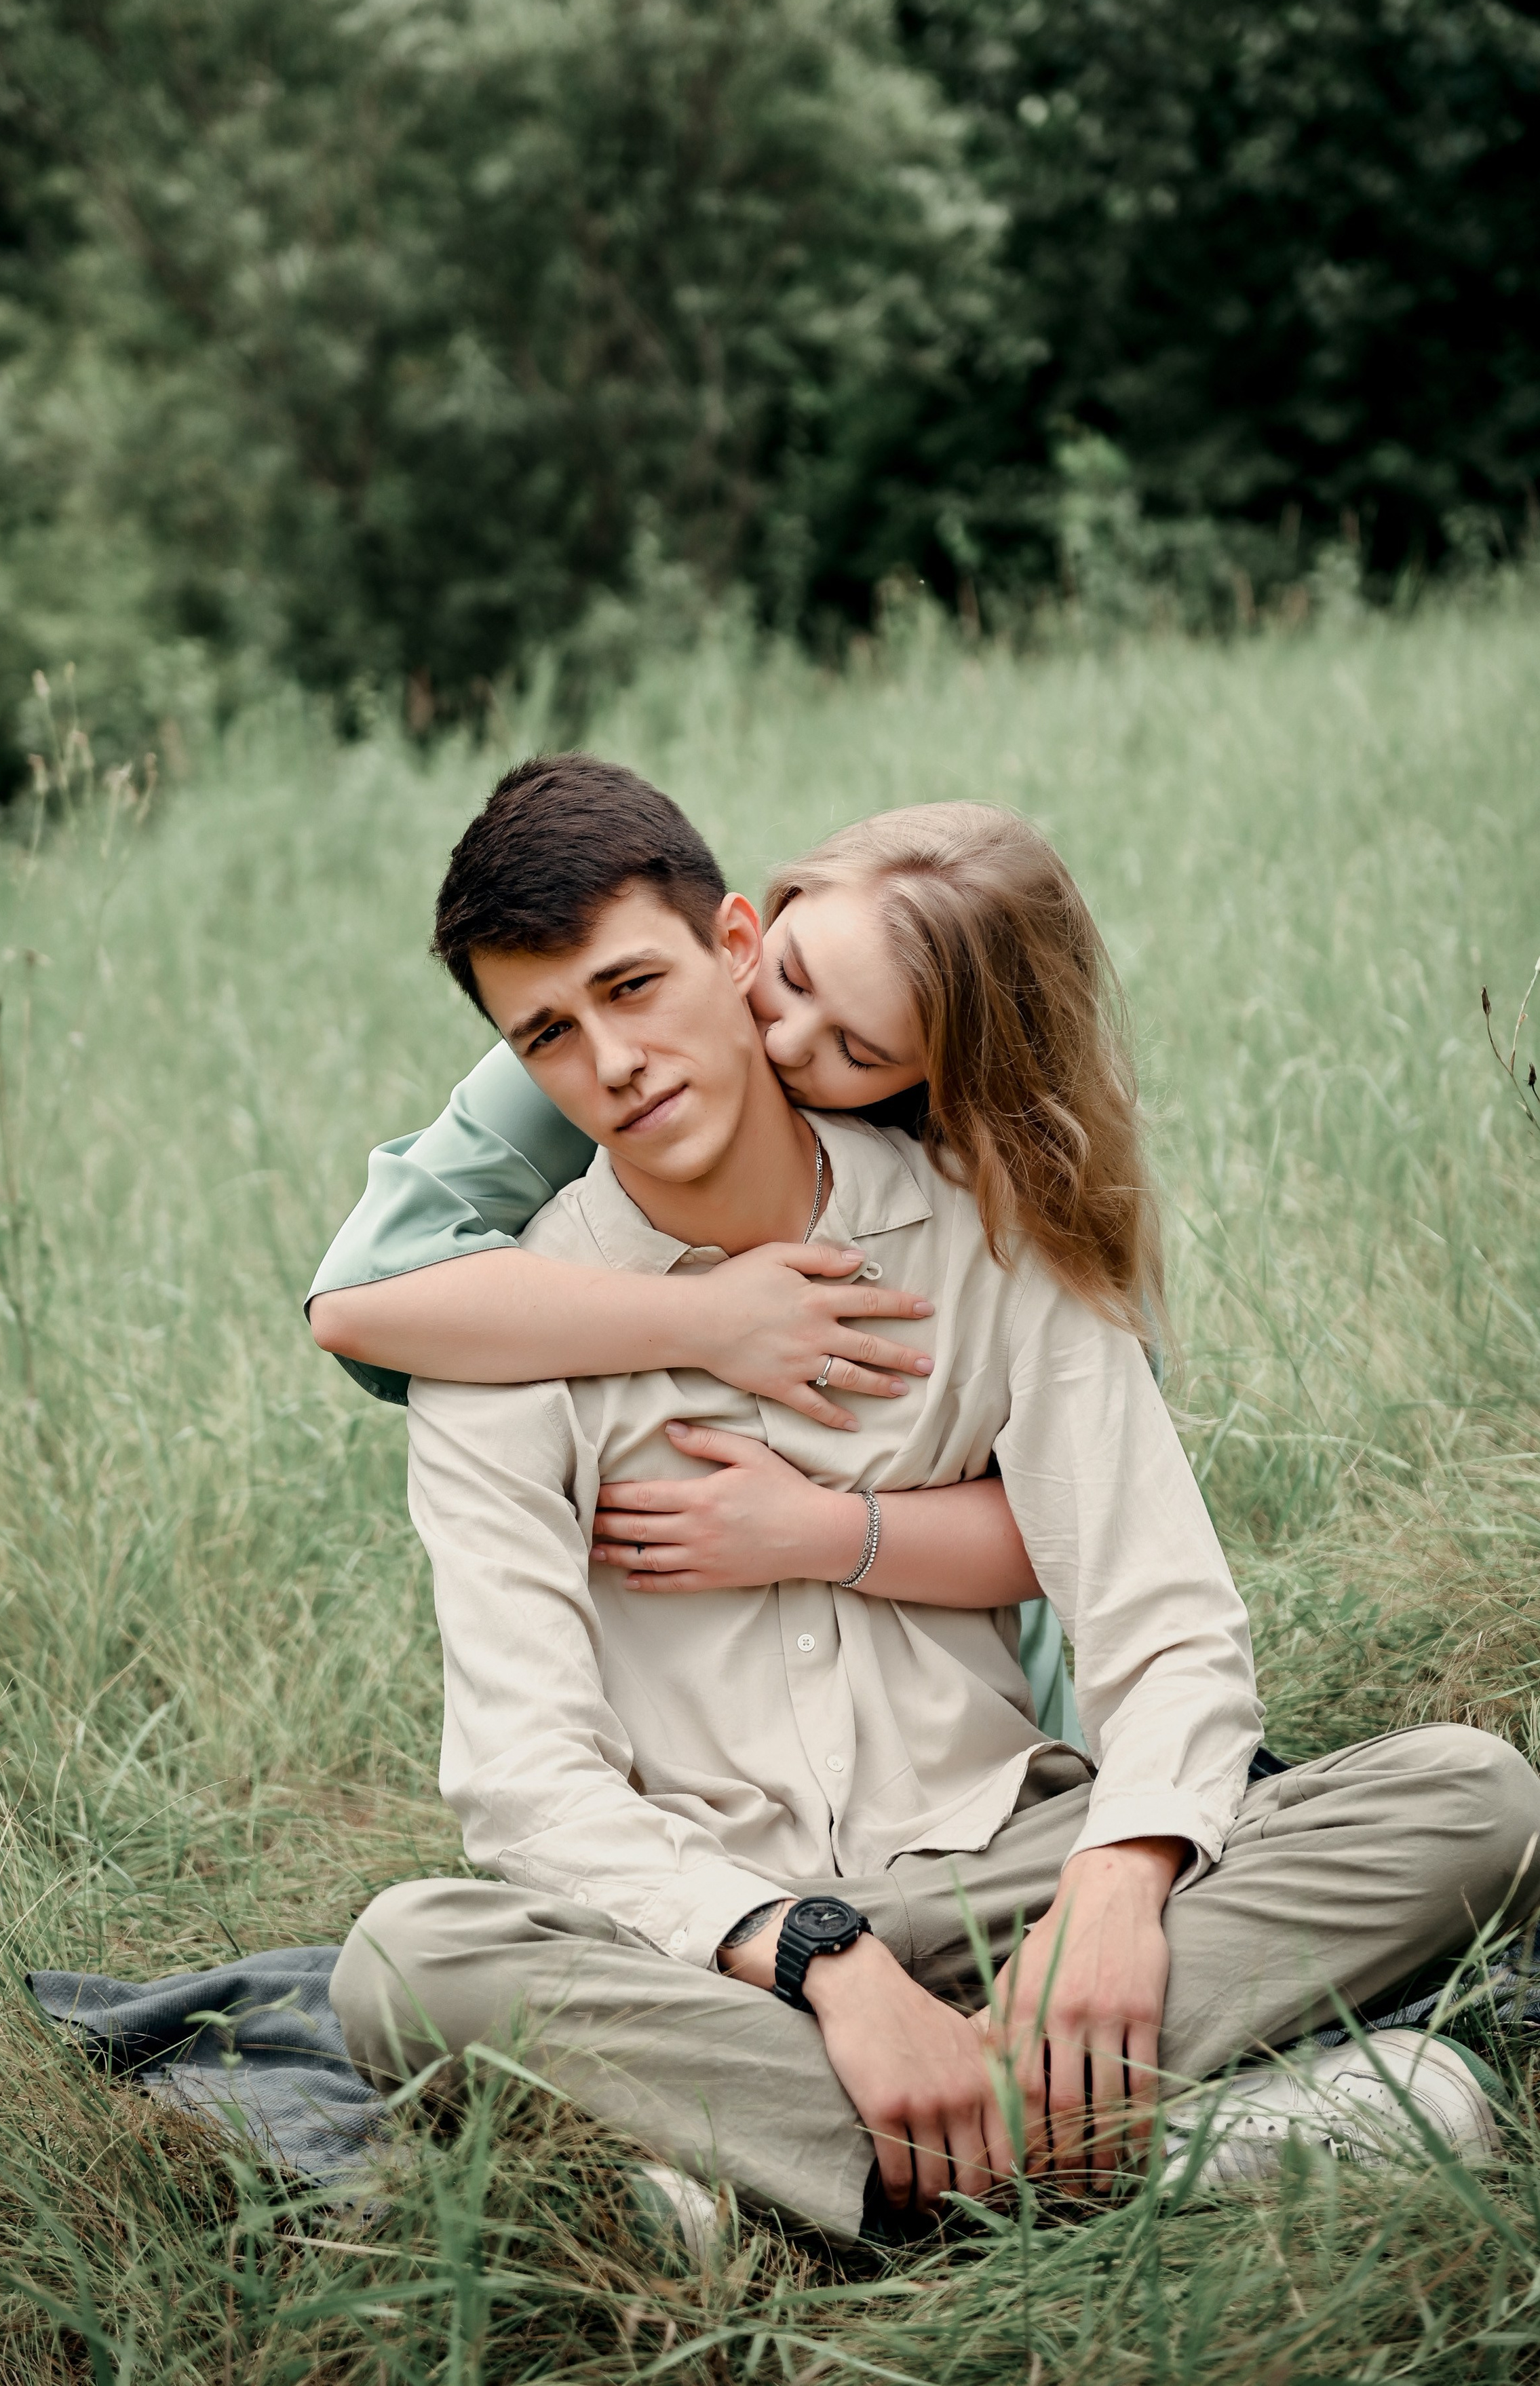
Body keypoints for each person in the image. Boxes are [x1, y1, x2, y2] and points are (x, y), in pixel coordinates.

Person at [317, 757, 1540, 2242]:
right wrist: (817, 1957)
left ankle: (798, 2185)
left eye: (635, 986)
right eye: (550, 1035)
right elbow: (526, 1783)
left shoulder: (991, 1239)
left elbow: (1162, 1626)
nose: (615, 1062)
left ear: (734, 948)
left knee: (1473, 1796)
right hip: (715, 1931)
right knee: (407, 1962)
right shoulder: (497, 1342)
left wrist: (1116, 1884)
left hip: (1010, 1865)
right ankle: (1162, 2140)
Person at [307, 797, 1139, 1740]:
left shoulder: (1012, 1203)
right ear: (754, 929)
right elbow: (357, 1302)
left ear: (942, 1075)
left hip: (984, 1736)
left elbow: (1097, 1520)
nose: (781, 1041)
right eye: (791, 977)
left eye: (858, 1051)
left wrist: (827, 1532)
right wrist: (711, 1319)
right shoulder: (605, 1033)